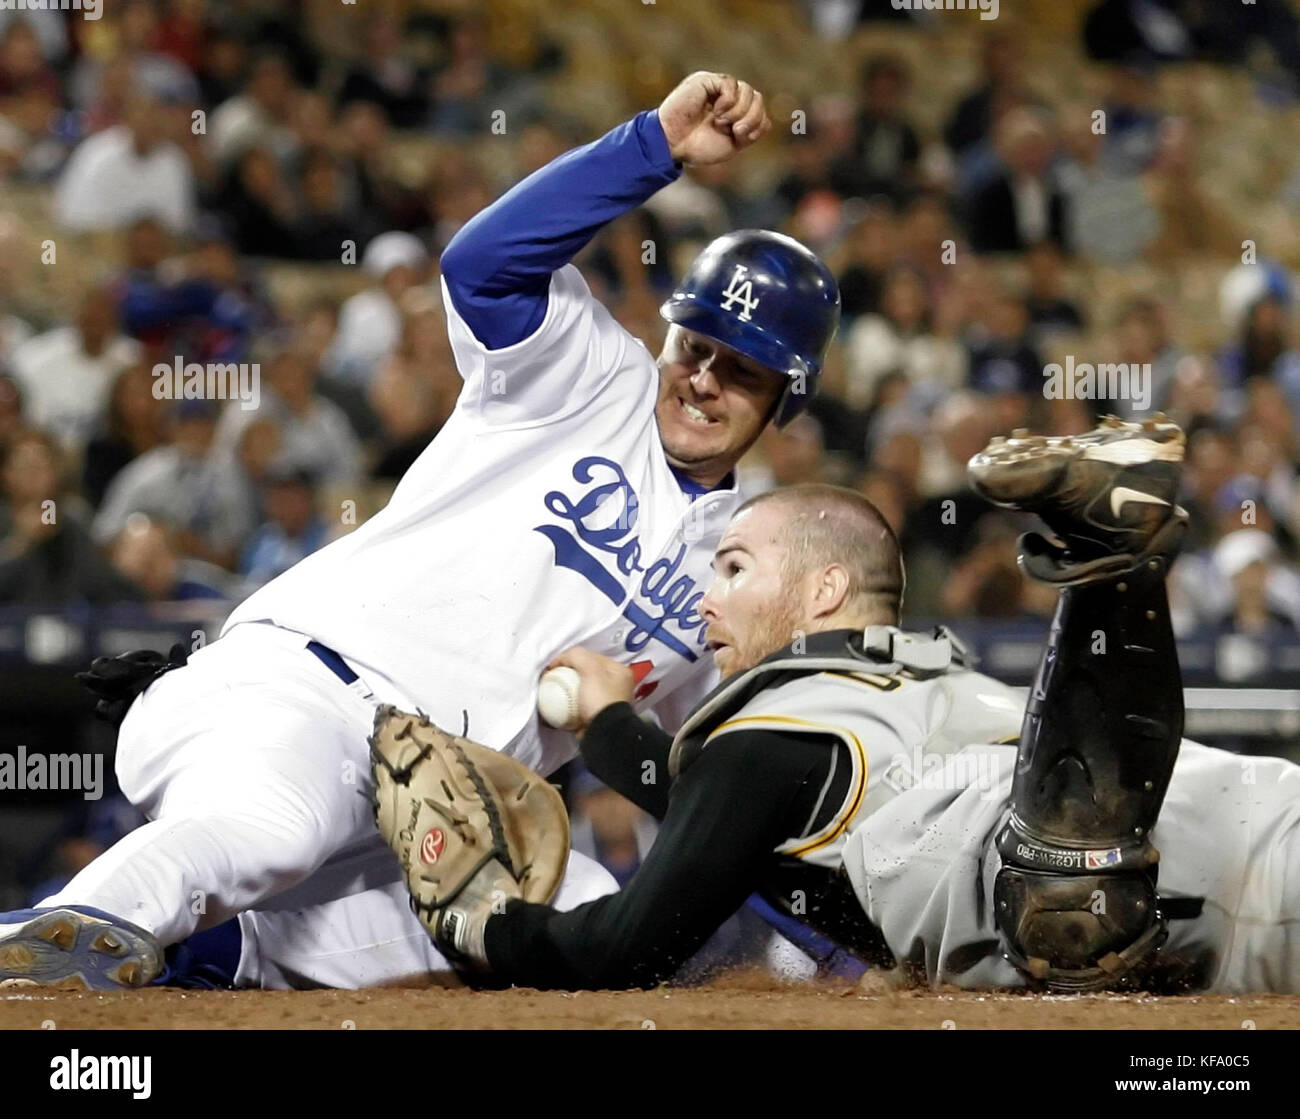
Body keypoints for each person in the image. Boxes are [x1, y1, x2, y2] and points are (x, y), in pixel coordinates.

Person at [0, 71, 842, 992]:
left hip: (434, 827)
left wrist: (840, 937)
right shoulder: (593, 373)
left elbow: (709, 795)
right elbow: (481, 264)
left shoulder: (740, 557)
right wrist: (652, 148)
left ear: (786, 398)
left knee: (576, 918)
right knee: (269, 831)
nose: (706, 380)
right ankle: (74, 931)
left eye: (745, 370)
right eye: (698, 346)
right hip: (303, 696)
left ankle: (212, 953)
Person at [402, 417, 1299, 994]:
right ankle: (1110, 566)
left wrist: (483, 924)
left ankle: (1110, 562)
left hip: (1120, 896)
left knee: (1044, 898)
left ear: (825, 588)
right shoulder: (936, 681)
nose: (707, 600)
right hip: (1250, 805)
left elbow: (623, 947)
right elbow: (733, 835)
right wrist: (610, 730)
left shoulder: (768, 734)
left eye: (735, 567)